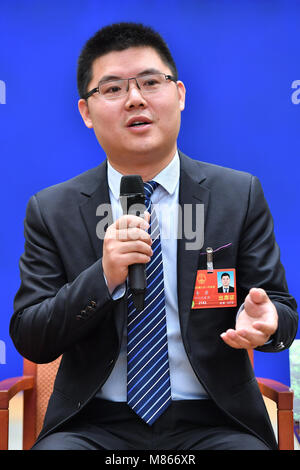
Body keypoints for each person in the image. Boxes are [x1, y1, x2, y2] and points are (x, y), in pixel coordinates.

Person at [10, 22, 298, 450]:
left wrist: (269, 322)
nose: (135, 99)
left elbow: (281, 311)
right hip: (94, 424)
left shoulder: (238, 195)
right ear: (86, 113)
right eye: (112, 89)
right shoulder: (52, 210)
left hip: (214, 420)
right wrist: (104, 276)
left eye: (150, 82)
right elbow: (31, 334)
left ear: (179, 95)